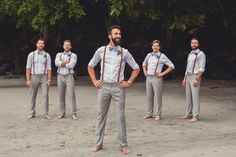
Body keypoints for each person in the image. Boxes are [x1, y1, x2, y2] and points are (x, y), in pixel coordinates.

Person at [87, 25, 140, 154]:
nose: (118, 36)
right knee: (101, 115)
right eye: (116, 34)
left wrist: (128, 81)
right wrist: (94, 80)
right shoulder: (101, 51)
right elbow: (90, 66)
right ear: (109, 36)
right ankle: (98, 143)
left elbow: (136, 68)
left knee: (120, 116)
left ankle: (123, 144)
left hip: (118, 87)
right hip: (103, 86)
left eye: (119, 34)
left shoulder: (124, 52)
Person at [143, 40, 175, 121]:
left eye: (157, 46)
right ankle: (149, 113)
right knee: (149, 96)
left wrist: (162, 73)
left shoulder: (162, 56)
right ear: (152, 47)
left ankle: (158, 114)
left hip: (157, 78)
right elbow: (144, 64)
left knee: (158, 96)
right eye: (154, 46)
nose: (155, 47)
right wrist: (145, 71)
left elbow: (171, 66)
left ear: (159, 47)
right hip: (148, 78)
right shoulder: (149, 55)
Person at [180, 38, 206, 122]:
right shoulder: (190, 53)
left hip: (195, 76)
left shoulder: (201, 54)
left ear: (198, 44)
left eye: (195, 43)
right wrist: (184, 78)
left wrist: (197, 78)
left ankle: (195, 116)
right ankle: (188, 114)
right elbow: (188, 67)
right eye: (192, 43)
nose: (194, 44)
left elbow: (202, 67)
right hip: (188, 76)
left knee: (195, 97)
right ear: (190, 44)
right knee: (188, 96)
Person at [26, 38, 52, 119]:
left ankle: (46, 113)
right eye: (39, 43)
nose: (41, 45)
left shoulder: (47, 55)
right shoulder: (31, 54)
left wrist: (49, 79)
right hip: (34, 76)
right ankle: (32, 112)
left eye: (42, 43)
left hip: (44, 77)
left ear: (44, 45)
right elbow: (28, 67)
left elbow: (49, 68)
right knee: (32, 95)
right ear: (36, 44)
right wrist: (28, 79)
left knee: (45, 95)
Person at [55, 40, 78, 120]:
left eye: (68, 45)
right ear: (63, 46)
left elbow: (71, 65)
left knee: (71, 95)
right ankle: (62, 113)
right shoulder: (59, 54)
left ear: (70, 46)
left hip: (69, 76)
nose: (67, 46)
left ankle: (73, 113)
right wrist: (65, 62)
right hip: (60, 76)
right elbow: (56, 63)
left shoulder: (73, 55)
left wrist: (61, 63)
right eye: (65, 45)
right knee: (61, 95)